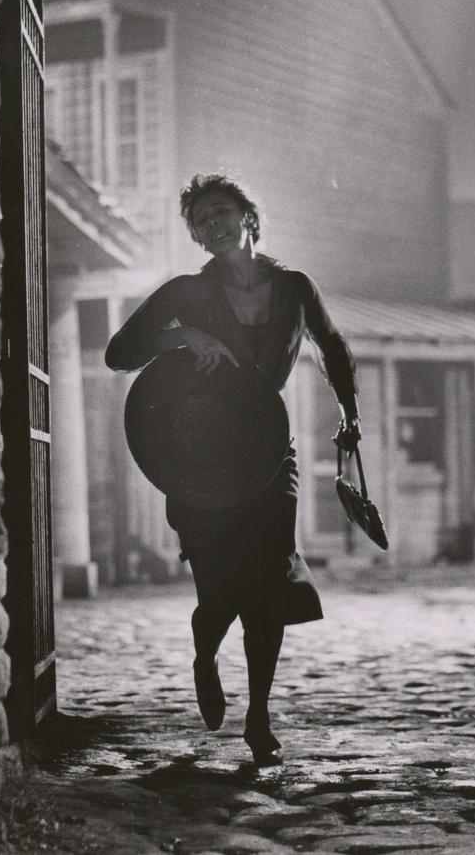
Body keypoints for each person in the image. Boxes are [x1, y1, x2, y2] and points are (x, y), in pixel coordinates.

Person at [105, 172, 360, 766]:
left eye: (221, 210)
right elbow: (120, 352)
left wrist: (349, 414)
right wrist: (182, 335)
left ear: (249, 216)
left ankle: (259, 717)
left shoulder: (295, 287)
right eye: (199, 219)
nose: (211, 223)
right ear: (195, 236)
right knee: (219, 593)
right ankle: (204, 655)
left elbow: (334, 347)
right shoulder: (185, 292)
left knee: (267, 587)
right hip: (198, 459)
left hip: (270, 453)